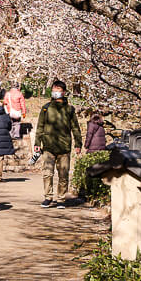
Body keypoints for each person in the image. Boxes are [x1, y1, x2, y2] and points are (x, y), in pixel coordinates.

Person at [35, 79, 81, 207]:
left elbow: (75, 128)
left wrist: (78, 144)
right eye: (54, 90)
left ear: (64, 92)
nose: (55, 92)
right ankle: (48, 197)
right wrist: (37, 142)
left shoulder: (69, 109)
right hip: (48, 146)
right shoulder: (46, 108)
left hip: (64, 146)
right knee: (47, 173)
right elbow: (40, 126)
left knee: (63, 175)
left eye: (58, 90)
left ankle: (61, 198)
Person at [5, 83, 27, 161]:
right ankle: (17, 135)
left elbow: (5, 102)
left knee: (10, 123)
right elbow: (22, 103)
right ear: (17, 87)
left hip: (9, 111)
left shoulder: (7, 94)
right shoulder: (19, 94)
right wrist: (24, 112)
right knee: (17, 123)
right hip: (17, 111)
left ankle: (10, 134)